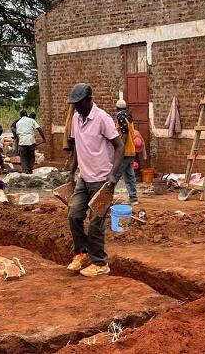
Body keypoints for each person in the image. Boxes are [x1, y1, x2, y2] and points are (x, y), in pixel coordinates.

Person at [65, 83, 124, 277]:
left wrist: (113, 174)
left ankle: (100, 263)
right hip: (84, 177)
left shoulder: (102, 118)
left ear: (89, 100)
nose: (75, 107)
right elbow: (76, 147)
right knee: (74, 214)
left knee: (96, 223)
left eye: (78, 103)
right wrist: (71, 171)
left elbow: (119, 146)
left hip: (102, 180)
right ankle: (82, 253)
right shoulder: (76, 117)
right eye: (73, 104)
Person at [113, 99, 138, 205]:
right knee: (130, 175)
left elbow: (125, 132)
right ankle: (133, 198)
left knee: (115, 174)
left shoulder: (121, 116)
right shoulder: (128, 116)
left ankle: (106, 196)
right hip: (131, 150)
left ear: (117, 108)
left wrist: (120, 148)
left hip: (125, 151)